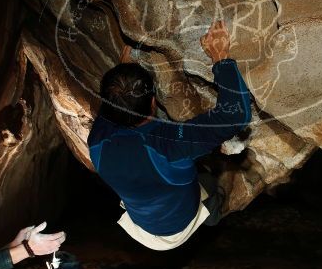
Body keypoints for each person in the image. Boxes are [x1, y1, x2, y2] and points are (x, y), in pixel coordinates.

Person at [87, 19, 253, 251]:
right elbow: (237, 114)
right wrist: (220, 57)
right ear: (154, 102)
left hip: (142, 225)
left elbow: (111, 107)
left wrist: (121, 79)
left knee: (178, 174)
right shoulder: (169, 144)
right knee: (208, 183)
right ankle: (213, 212)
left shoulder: (97, 141)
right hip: (178, 227)